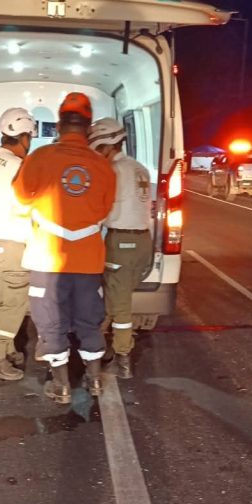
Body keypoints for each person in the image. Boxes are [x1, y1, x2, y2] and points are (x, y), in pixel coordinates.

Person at [12, 92, 116, 403]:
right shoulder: (103, 166)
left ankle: (61, 386)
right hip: (88, 261)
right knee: (89, 321)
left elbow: (21, 198)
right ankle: (94, 381)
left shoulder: (39, 157)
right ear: (89, 129)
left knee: (51, 323)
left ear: (58, 126)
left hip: (47, 258)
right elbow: (104, 210)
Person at [88, 117, 153, 378]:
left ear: (107, 144)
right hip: (143, 242)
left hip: (121, 243)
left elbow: (101, 210)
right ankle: (103, 345)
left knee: (121, 304)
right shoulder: (140, 168)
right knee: (116, 296)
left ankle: (123, 358)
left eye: (98, 148)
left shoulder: (112, 171)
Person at [0, 107, 37, 381]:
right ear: (24, 137)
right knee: (13, 303)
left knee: (0, 300)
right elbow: (29, 203)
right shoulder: (18, 166)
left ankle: (9, 349)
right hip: (11, 243)